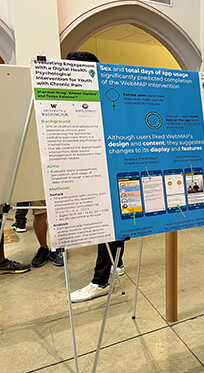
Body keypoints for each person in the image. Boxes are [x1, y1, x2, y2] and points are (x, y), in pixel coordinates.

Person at [64, 51, 126, 303]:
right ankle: (116, 264)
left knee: (108, 225)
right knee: (116, 223)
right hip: (107, 170)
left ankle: (100, 281)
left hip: (109, 172)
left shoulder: (106, 100)